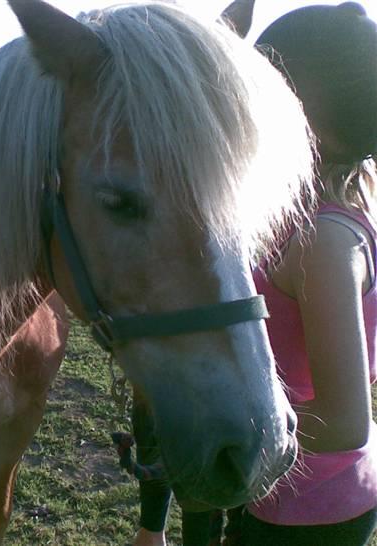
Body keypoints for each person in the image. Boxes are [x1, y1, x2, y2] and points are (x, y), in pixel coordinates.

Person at [131, 3, 377, 545]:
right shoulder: (304, 227)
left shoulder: (326, 244)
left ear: (307, 121)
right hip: (278, 494)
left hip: (313, 515)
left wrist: (219, 436)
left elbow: (346, 422)